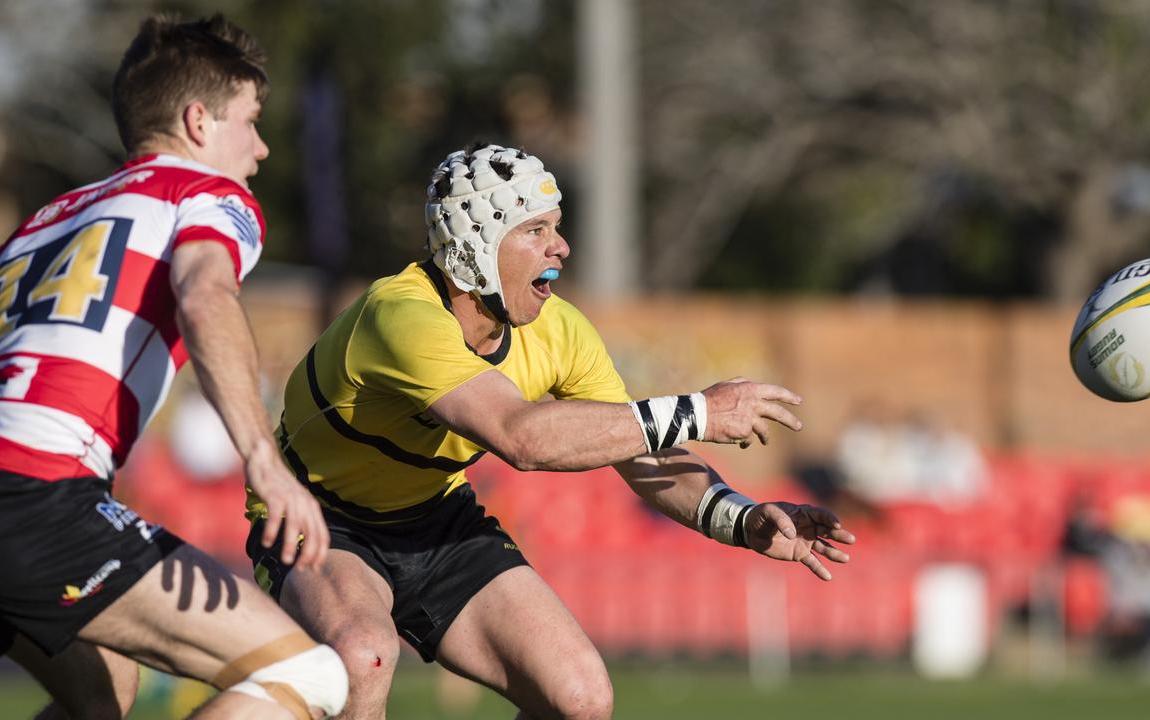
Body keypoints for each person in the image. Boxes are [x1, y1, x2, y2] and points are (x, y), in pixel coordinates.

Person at [247, 143, 856, 719]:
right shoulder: (400, 315)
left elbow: (644, 457)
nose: (561, 248)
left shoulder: (560, 329)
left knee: (581, 698)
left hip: (436, 518)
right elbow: (523, 439)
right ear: (475, 245)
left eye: (556, 227)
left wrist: (741, 518)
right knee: (364, 656)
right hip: (321, 516)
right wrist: (702, 410)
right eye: (535, 231)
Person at [0, 14, 348, 719]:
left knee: (104, 693)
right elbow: (205, 295)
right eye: (251, 120)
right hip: (37, 497)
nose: (264, 148)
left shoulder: (42, 221)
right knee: (309, 676)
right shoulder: (207, 196)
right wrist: (264, 463)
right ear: (199, 121)